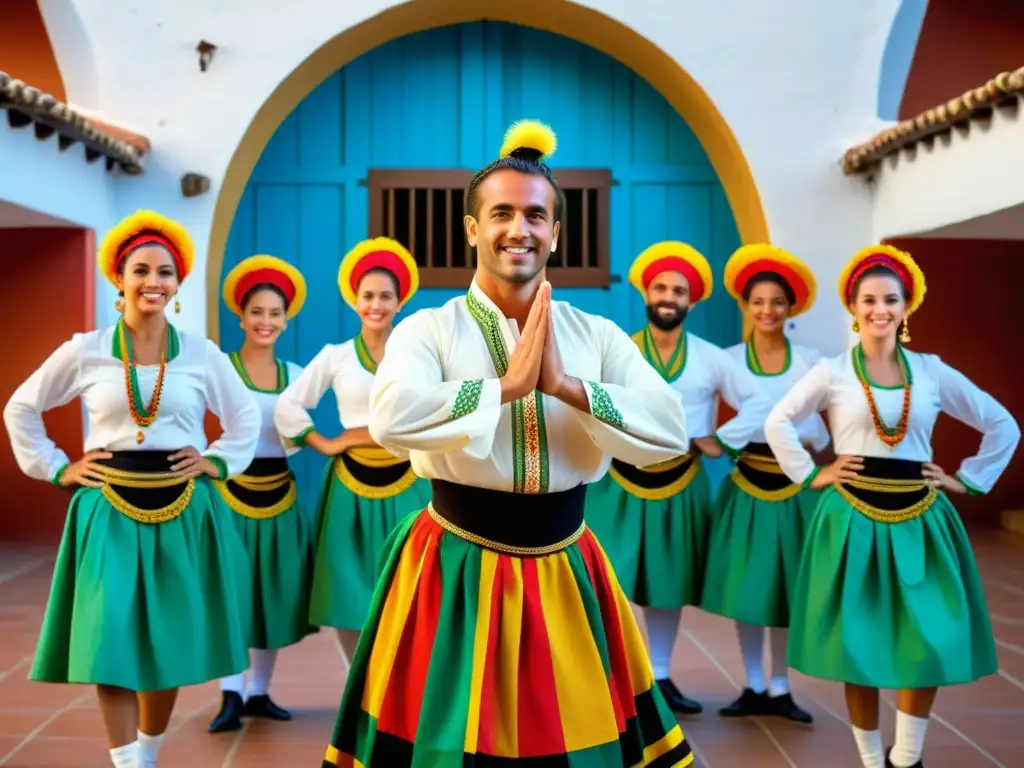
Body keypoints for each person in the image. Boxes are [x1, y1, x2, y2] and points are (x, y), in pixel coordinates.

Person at [320, 119, 694, 767]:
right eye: (501, 214)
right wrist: (506, 387)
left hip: (565, 562)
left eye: (535, 215)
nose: (518, 229)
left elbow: (669, 428)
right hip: (454, 566)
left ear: (555, 231)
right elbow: (390, 418)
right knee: (447, 741)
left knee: (574, 739)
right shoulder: (428, 330)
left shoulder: (597, 335)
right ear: (472, 229)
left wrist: (569, 387)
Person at [3, 210, 261, 768]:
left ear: (177, 283)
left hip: (183, 506)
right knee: (109, 637)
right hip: (108, 508)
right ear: (118, 278)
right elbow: (21, 407)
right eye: (141, 270)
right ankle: (128, 764)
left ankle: (147, 752)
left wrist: (216, 461)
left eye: (165, 272)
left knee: (163, 640)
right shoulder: (86, 349)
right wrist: (56, 466)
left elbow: (244, 417)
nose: (153, 282)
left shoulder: (201, 354)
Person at [764, 244, 1020, 768]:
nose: (880, 308)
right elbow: (778, 421)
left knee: (923, 638)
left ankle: (907, 756)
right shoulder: (832, 372)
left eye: (891, 299)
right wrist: (814, 473)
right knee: (857, 642)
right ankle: (869, 759)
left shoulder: (930, 371)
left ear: (906, 308)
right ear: (854, 308)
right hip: (850, 515)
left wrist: (968, 480)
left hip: (919, 517)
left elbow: (1003, 423)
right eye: (869, 299)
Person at [585, 240, 770, 716]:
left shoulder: (712, 357)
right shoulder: (618, 350)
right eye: (661, 287)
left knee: (667, 585)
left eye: (679, 290)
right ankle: (610, 677)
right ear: (647, 293)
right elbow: (586, 400)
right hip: (619, 485)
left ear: (693, 300)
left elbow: (757, 402)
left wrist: (719, 440)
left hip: (681, 484)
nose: (669, 296)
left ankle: (660, 679)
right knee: (611, 580)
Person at [274, 237, 431, 666]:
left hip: (409, 481)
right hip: (349, 484)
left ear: (400, 303)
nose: (375, 304)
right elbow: (288, 403)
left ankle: (402, 681)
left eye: (385, 296)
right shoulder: (336, 356)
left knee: (412, 581)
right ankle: (356, 679)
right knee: (346, 585)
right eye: (367, 296)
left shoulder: (418, 356)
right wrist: (323, 442)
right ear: (354, 301)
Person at [699, 243, 827, 724]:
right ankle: (753, 682)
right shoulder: (728, 358)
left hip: (796, 486)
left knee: (787, 586)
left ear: (790, 307)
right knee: (750, 586)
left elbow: (823, 423)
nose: (767, 310)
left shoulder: (813, 361)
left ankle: (780, 686)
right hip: (747, 482)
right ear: (744, 306)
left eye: (777, 302)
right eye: (758, 302)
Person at [208, 254, 317, 733]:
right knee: (231, 592)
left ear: (286, 320)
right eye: (257, 312)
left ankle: (259, 692)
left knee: (270, 592)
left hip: (280, 495)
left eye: (275, 313)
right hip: (229, 492)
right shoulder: (220, 367)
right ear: (241, 316)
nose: (265, 321)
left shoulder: (296, 374)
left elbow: (297, 437)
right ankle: (229, 692)